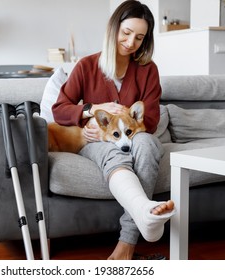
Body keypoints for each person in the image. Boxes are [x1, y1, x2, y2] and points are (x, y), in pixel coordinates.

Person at [52, 0, 175, 260]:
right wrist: (90, 111)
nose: (131, 43)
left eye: (140, 38)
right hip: (96, 142)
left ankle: (129, 239)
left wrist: (124, 117)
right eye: (127, 33)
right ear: (113, 29)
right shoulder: (86, 66)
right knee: (114, 153)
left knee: (147, 143)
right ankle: (135, 232)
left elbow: (150, 121)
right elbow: (59, 109)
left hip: (137, 136)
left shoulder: (148, 70)